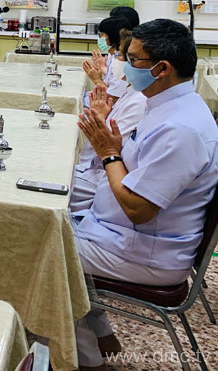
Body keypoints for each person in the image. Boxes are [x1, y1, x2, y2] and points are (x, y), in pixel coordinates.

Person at [74, 19, 218, 370]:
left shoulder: (181, 128)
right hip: (119, 233)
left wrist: (109, 153)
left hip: (145, 250)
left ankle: (84, 359)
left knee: (39, 249)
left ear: (162, 69)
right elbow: (139, 164)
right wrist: (114, 143)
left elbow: (139, 209)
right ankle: (98, 332)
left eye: (133, 61)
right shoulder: (165, 106)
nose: (124, 69)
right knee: (48, 224)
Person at [69, 31, 146, 214]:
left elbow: (113, 148)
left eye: (120, 56)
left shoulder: (140, 100)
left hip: (106, 180)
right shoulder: (132, 91)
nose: (116, 60)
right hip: (98, 171)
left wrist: (100, 121)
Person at [83, 16, 130, 99]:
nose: (100, 38)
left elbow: (113, 98)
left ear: (111, 36)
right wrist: (102, 68)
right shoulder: (113, 56)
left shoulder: (121, 62)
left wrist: (97, 80)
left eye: (102, 35)